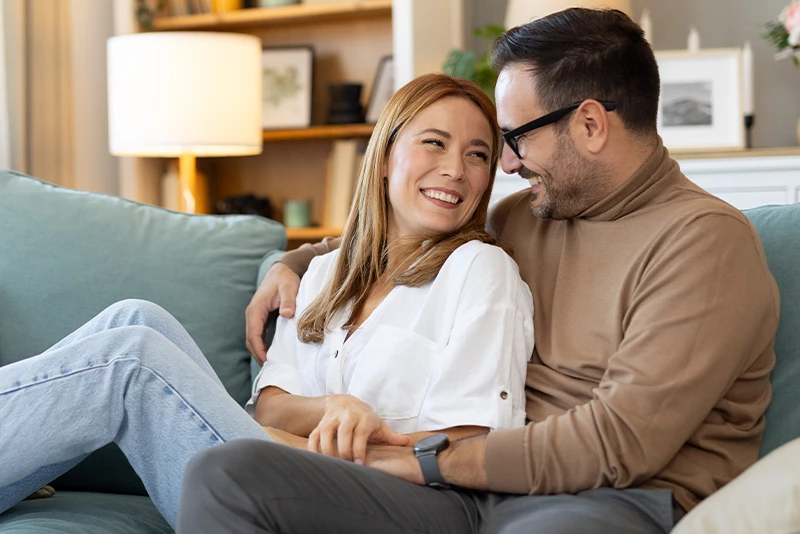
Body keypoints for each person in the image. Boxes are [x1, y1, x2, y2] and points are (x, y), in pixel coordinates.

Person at [179, 8, 780, 534]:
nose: (508, 165)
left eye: (515, 138)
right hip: (477, 492)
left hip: (609, 498)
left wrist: (425, 460)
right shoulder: (531, 214)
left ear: (590, 125)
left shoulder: (704, 243)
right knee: (229, 473)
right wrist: (290, 263)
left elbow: (617, 443)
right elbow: (396, 235)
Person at [0, 73, 534, 529]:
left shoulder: (480, 269)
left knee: (132, 359)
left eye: (478, 154)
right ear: (385, 156)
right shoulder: (326, 273)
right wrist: (332, 408)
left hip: (386, 498)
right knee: (136, 317)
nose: (456, 169)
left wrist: (309, 440)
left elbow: (474, 442)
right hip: (281, 469)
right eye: (435, 143)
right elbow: (271, 406)